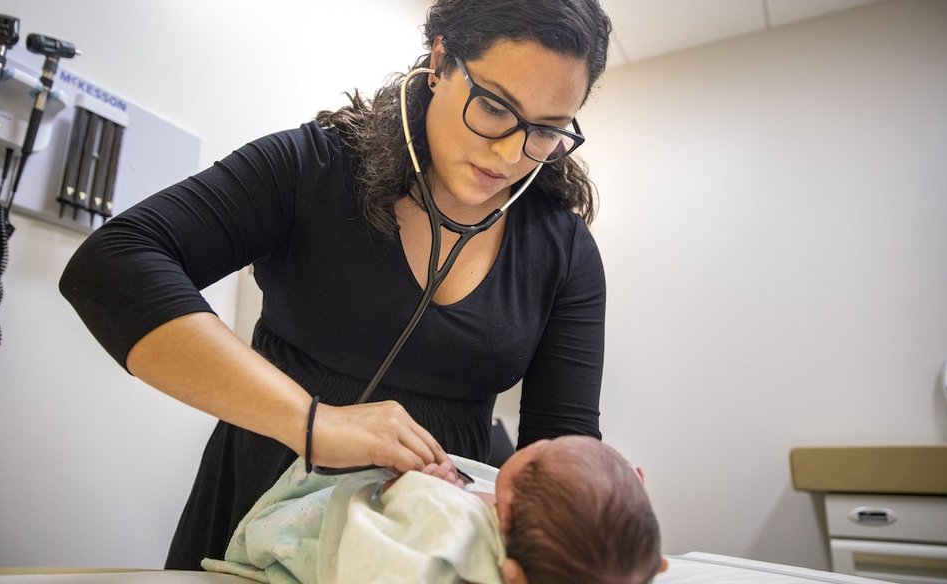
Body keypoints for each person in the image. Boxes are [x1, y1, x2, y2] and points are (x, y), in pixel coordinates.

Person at [59, 0, 613, 573]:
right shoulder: (316, 167)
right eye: (495, 106)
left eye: (545, 131)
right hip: (259, 515)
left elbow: (566, 454)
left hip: (428, 555)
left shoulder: (563, 252)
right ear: (442, 59)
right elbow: (113, 265)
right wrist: (313, 423)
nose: (510, 152)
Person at [202, 436, 667, 584]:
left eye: (542, 447)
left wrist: (418, 487)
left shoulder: (450, 526)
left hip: (323, 549)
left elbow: (408, 519)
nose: (539, 443)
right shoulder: (559, 550)